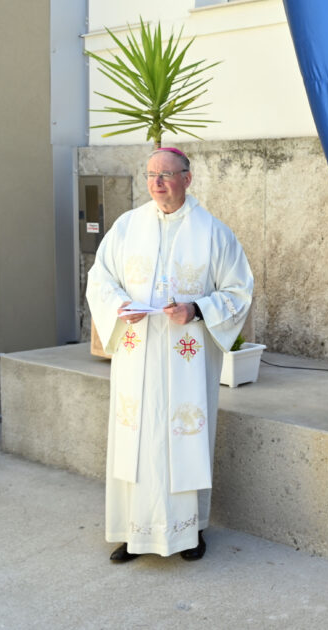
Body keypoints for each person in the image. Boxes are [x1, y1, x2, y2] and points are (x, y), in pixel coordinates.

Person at [87, 147, 254, 562]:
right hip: (137, 352)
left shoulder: (214, 233)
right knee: (137, 441)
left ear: (187, 178)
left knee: (184, 437)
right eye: (150, 175)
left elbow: (238, 290)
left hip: (187, 355)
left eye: (166, 174)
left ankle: (189, 531)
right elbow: (100, 278)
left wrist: (196, 309)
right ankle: (132, 532)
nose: (157, 183)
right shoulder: (127, 227)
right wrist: (119, 306)